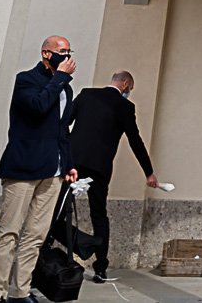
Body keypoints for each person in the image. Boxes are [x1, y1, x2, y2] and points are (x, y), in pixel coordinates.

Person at [0, 36, 78, 303]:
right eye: (61, 51)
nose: (67, 55)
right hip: (23, 168)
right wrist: (59, 78)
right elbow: (37, 107)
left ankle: (20, 292)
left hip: (53, 170)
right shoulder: (26, 80)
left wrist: (69, 163)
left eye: (69, 51)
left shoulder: (66, 89)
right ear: (46, 54)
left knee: (35, 236)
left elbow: (63, 131)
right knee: (9, 233)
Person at [67, 70, 157, 282]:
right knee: (98, 214)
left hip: (73, 163)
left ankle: (62, 256)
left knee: (60, 209)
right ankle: (100, 267)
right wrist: (149, 172)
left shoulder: (86, 94)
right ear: (125, 84)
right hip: (99, 167)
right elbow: (136, 141)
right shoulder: (125, 106)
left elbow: (64, 123)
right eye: (130, 89)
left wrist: (63, 153)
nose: (129, 92)